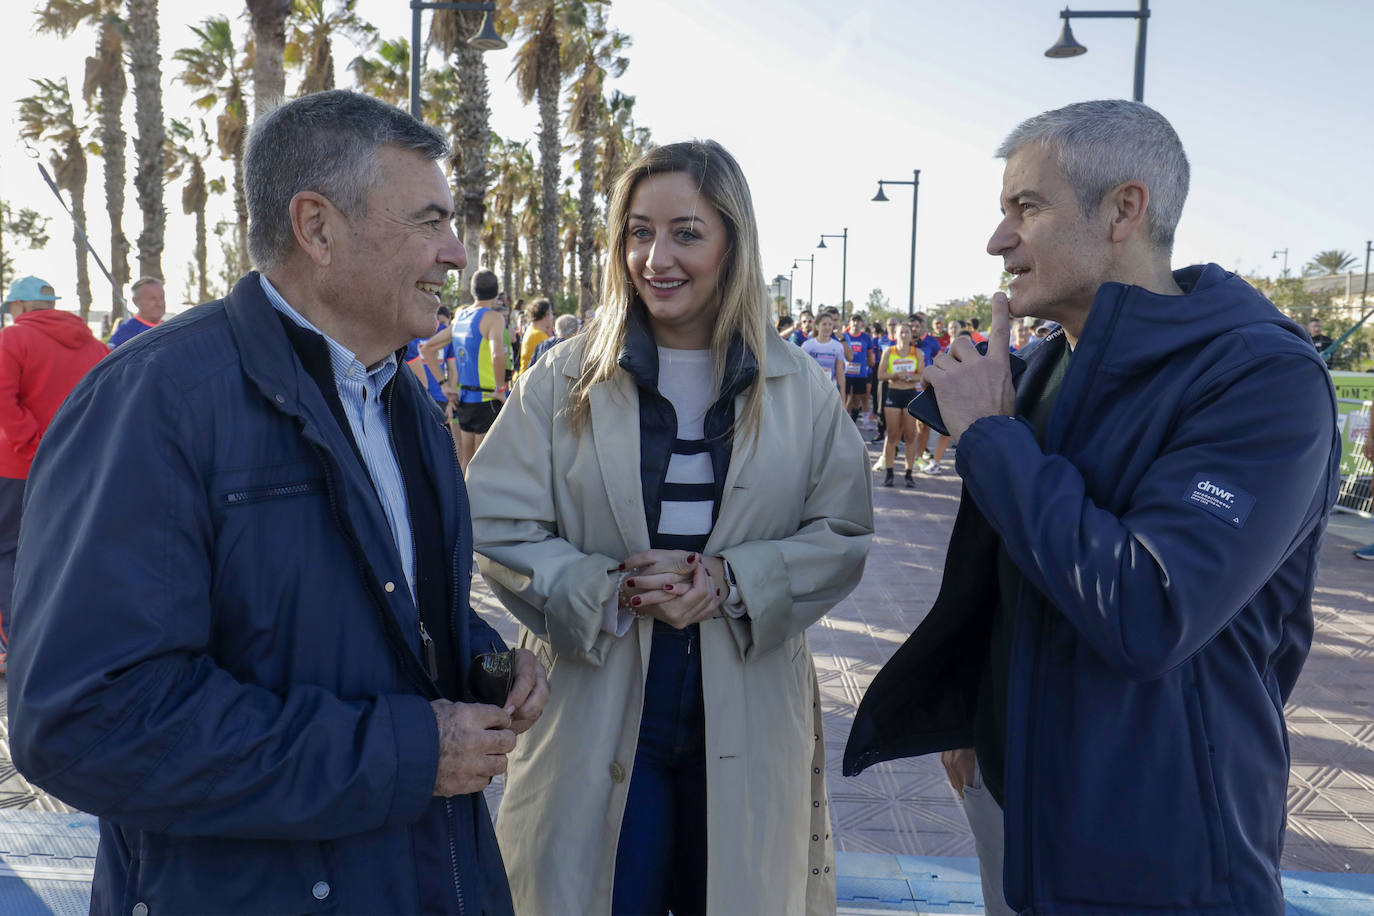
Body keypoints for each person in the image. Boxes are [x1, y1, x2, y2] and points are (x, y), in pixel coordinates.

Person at [9, 90, 550, 916]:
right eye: (429, 220)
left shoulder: (403, 405)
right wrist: (405, 752)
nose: (454, 251)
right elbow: (88, 721)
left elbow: (381, 619)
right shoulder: (157, 404)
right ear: (318, 228)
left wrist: (482, 663)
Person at [844, 99, 1340, 916]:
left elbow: (1150, 609)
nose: (998, 240)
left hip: (1158, 848)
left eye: (1026, 208)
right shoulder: (1047, 366)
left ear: (1124, 209)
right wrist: (978, 710)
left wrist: (995, 440)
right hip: (1011, 797)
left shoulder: (1262, 379)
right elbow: (1013, 573)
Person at [467, 139, 873, 916]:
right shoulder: (564, 377)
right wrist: (606, 589)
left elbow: (844, 532)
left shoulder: (800, 388)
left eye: (686, 232)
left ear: (732, 242)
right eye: (638, 231)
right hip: (596, 698)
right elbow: (497, 518)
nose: (657, 257)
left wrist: (731, 581)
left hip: (747, 706)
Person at [0, 275, 107, 673]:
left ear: (23, 307)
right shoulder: (93, 344)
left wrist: (32, 445)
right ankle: (73, 635)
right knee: (68, 545)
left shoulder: (13, 339)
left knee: (7, 549)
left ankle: (19, 642)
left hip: (17, 465)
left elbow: (2, 399)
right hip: (77, 464)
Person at [444, 268, 508, 472]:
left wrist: (443, 384)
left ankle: (462, 503)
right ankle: (477, 504)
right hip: (486, 398)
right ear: (496, 292)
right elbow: (497, 355)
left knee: (467, 462)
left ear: (473, 291)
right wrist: (501, 388)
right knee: (482, 466)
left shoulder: (461, 315)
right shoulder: (493, 318)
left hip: (465, 399)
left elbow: (428, 348)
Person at [876, 322, 922, 488]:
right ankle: (889, 472)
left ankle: (909, 474)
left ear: (911, 335)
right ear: (895, 335)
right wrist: (895, 375)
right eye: (901, 332)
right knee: (893, 435)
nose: (904, 335)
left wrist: (910, 377)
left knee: (910, 436)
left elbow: (922, 376)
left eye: (906, 332)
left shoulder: (917, 353)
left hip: (910, 395)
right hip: (893, 395)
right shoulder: (889, 352)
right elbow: (880, 375)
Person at [107, 276, 166, 347]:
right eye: (152, 298)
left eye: (162, 298)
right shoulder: (125, 333)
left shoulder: (171, 328)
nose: (159, 303)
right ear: (136, 301)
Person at [802, 312, 848, 396]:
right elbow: (803, 371)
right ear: (817, 327)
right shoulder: (807, 345)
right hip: (811, 391)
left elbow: (840, 374)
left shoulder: (838, 346)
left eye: (830, 324)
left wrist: (843, 399)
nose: (827, 327)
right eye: (824, 324)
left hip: (830, 391)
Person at [518, 297, 553, 374]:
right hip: (530, 382)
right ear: (546, 315)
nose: (552, 317)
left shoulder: (532, 330)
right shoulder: (538, 335)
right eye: (550, 314)